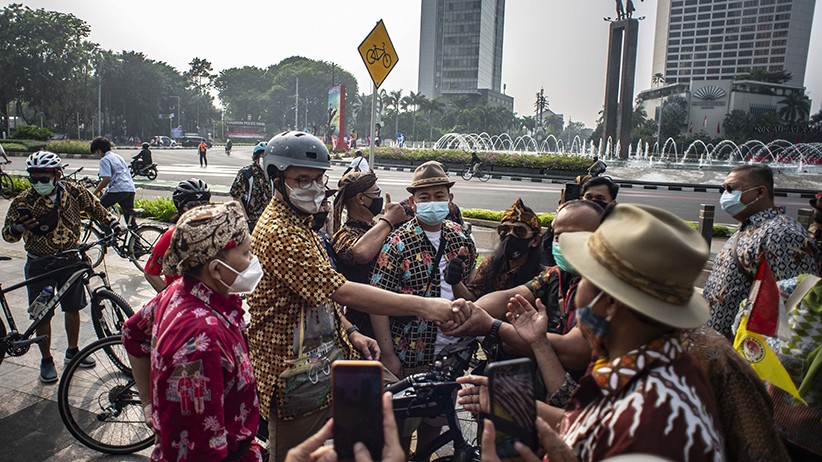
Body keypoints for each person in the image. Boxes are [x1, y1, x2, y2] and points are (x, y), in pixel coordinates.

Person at [246, 131, 465, 462]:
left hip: (332, 360)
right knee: (297, 456)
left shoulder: (302, 222)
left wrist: (351, 332)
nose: (314, 187)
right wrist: (424, 306)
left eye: (319, 178)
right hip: (296, 378)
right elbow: (340, 289)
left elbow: (317, 293)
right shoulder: (279, 233)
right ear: (276, 178)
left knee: (371, 437)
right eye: (302, 179)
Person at [544, 204, 725, 460]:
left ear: (609, 303)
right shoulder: (660, 364)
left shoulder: (651, 421)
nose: (578, 293)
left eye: (585, 279)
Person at [122, 202, 264, 461]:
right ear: (216, 270)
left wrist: (148, 404)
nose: (253, 261)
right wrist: (147, 405)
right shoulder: (202, 342)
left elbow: (132, 333)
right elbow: (201, 451)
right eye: (246, 253)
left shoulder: (178, 290)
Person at [445, 200, 603, 404]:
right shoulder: (555, 275)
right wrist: (465, 312)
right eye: (558, 236)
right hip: (541, 389)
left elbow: (573, 351)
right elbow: (505, 297)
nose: (510, 237)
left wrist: (495, 327)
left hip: (588, 402)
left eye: (574, 236)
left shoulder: (605, 286)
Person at [2, 151, 120, 383]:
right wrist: (16, 228)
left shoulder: (74, 192)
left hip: (70, 260)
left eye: (43, 179)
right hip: (40, 263)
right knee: (42, 313)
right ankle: (46, 360)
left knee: (73, 307)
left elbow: (96, 208)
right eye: (33, 179)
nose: (38, 184)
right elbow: (7, 235)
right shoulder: (22, 201)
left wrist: (112, 222)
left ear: (57, 175)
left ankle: (73, 351)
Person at [704, 165, 819, 340]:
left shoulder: (782, 234)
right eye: (723, 189)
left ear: (760, 192)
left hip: (748, 356)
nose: (725, 195)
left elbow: (796, 305)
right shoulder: (749, 229)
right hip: (721, 350)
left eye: (731, 189)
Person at [332, 171, 406, 337]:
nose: (378, 198)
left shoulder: (374, 228)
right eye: (376, 193)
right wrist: (388, 219)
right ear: (361, 199)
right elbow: (361, 253)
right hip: (364, 324)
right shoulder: (344, 235)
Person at [458, 198, 543, 301]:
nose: (510, 234)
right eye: (504, 229)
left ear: (535, 241)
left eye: (519, 230)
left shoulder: (541, 275)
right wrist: (455, 281)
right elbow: (471, 298)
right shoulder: (491, 264)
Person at [143, 178, 211, 292]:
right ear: (180, 210)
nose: (199, 209)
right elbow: (150, 273)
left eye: (204, 204)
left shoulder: (214, 231)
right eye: (192, 205)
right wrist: (171, 297)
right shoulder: (171, 236)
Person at [91, 136, 137, 227]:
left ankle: (108, 238)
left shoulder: (104, 160)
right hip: (130, 189)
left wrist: (95, 192)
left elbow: (107, 178)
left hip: (117, 189)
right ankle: (136, 239)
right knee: (129, 219)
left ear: (99, 150)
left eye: (96, 152)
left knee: (98, 211)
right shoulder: (117, 157)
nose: (97, 155)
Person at [230, 141, 273, 232]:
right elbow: (236, 197)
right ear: (256, 158)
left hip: (269, 221)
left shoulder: (272, 175)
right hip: (251, 221)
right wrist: (247, 220)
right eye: (262, 157)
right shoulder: (246, 173)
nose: (264, 160)